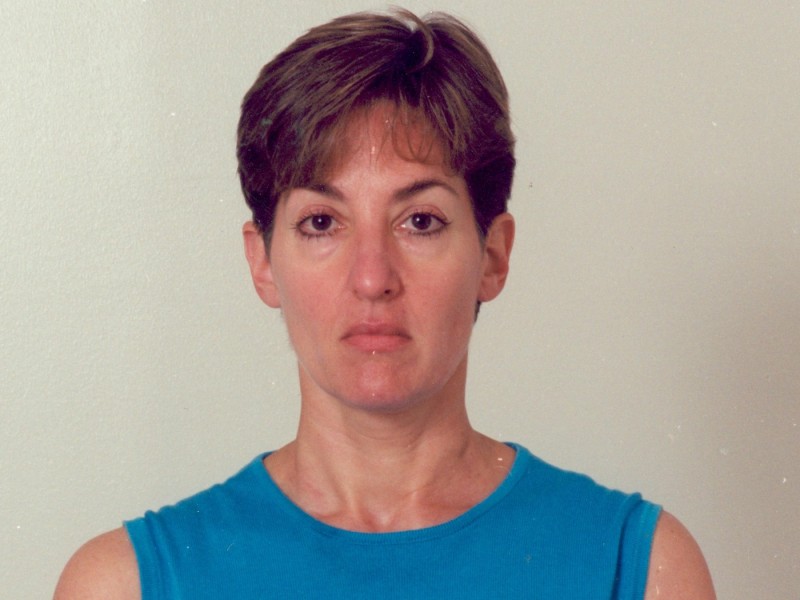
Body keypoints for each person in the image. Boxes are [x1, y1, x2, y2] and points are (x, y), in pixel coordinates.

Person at [55, 9, 716, 599]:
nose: (372, 279)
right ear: (262, 262)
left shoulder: (638, 568)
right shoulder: (123, 585)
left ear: (492, 255)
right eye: (321, 223)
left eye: (420, 221)